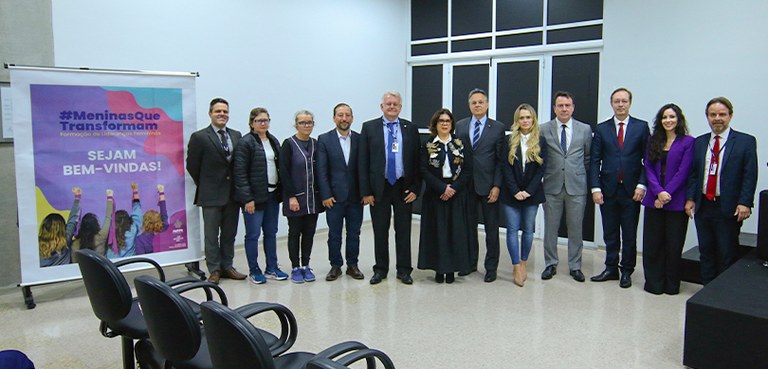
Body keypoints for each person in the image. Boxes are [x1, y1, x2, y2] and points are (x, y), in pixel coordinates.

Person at [686, 97, 757, 285]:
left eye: (722, 114)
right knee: (706, 252)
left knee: (727, 253)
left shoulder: (745, 141)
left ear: (730, 116)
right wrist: (690, 199)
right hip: (703, 206)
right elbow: (694, 174)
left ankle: (723, 293)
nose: (717, 118)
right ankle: (706, 292)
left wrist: (745, 202)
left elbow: (750, 175)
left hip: (729, 207)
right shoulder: (700, 142)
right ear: (707, 117)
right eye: (713, 114)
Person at [589, 87, 650, 288]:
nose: (620, 105)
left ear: (630, 103)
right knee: (610, 233)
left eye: (624, 101)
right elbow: (594, 160)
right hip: (608, 190)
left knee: (629, 234)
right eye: (617, 101)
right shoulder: (601, 128)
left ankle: (627, 271)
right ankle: (611, 268)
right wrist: (595, 188)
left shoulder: (641, 127)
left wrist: (642, 184)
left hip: (632, 191)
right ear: (611, 104)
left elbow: (648, 160)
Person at [359, 91, 421, 285]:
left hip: (403, 187)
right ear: (382, 107)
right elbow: (363, 161)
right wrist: (366, 192)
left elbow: (417, 161)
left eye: (395, 104)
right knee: (380, 230)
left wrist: (416, 189)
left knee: (403, 231)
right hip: (379, 188)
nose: (392, 106)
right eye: (388, 104)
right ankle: (380, 269)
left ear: (400, 107)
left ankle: (404, 270)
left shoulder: (410, 128)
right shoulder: (369, 127)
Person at [186, 97, 246, 284]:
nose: (222, 114)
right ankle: (214, 270)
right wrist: (206, 183)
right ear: (210, 114)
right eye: (218, 111)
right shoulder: (200, 137)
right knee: (211, 236)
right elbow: (192, 166)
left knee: (229, 234)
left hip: (232, 195)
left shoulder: (236, 135)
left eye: (225, 111)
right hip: (210, 194)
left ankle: (227, 266)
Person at [641, 103, 694, 295]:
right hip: (653, 200)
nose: (668, 120)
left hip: (676, 201)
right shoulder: (653, 140)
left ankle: (671, 285)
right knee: (653, 244)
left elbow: (684, 171)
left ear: (678, 120)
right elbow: (648, 167)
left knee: (673, 245)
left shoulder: (688, 142)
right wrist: (658, 192)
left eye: (672, 117)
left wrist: (665, 194)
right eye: (664, 117)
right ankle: (654, 284)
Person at [540, 91, 592, 282]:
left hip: (576, 187)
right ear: (554, 108)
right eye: (560, 106)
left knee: (576, 229)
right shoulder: (543, 129)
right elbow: (540, 156)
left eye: (567, 105)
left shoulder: (584, 129)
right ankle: (550, 263)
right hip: (551, 186)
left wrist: (576, 174)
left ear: (573, 107)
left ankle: (575, 266)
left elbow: (587, 157)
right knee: (550, 228)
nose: (564, 109)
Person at [455, 88, 506, 282]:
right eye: (474, 102)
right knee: (468, 228)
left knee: (491, 230)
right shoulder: (460, 126)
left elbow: (501, 161)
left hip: (489, 187)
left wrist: (497, 186)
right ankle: (469, 263)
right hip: (466, 186)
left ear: (487, 104)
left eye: (481, 102)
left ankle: (491, 268)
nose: (477, 105)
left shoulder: (498, 128)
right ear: (469, 105)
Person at [233, 107, 288, 284]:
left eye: (266, 120)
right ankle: (254, 270)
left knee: (271, 232)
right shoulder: (245, 143)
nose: (263, 123)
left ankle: (272, 267)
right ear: (251, 123)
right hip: (254, 199)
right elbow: (240, 173)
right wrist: (247, 199)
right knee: (253, 234)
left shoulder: (273, 140)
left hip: (272, 196)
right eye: (259, 121)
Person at [417, 108, 473, 283]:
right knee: (438, 233)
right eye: (441, 121)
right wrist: (442, 188)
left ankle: (451, 271)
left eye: (448, 121)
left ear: (452, 124)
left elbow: (468, 170)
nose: (444, 124)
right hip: (435, 194)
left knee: (455, 233)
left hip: (456, 193)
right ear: (435, 124)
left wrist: (453, 188)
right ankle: (439, 270)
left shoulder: (460, 143)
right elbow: (423, 170)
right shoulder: (427, 144)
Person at [498, 104, 546, 287]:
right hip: (511, 193)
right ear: (517, 120)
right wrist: (515, 191)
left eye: (528, 117)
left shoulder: (541, 140)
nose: (525, 121)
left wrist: (528, 191)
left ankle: (524, 262)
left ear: (533, 119)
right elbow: (505, 167)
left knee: (528, 230)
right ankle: (516, 266)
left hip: (532, 194)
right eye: (522, 117)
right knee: (512, 230)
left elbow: (541, 170)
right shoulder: (508, 140)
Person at [316, 103, 365, 281]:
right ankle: (335, 265)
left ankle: (353, 265)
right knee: (334, 234)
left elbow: (364, 168)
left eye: (347, 115)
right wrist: (325, 194)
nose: (344, 118)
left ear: (352, 118)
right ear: (334, 118)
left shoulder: (360, 139)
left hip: (356, 197)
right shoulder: (324, 139)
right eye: (340, 115)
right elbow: (321, 170)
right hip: (333, 197)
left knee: (354, 233)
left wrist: (365, 192)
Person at [280, 110, 324, 284]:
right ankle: (295, 267)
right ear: (296, 125)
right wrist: (291, 197)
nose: (306, 126)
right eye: (302, 123)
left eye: (309, 122)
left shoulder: (316, 144)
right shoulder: (288, 144)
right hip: (295, 198)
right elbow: (284, 172)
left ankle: (306, 265)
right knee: (294, 232)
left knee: (309, 232)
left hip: (313, 199)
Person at [38, 187, 80, 267]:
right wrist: (77, 197)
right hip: (65, 273)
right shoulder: (66, 240)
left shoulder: (36, 245)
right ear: (62, 229)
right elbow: (73, 218)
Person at [71, 189, 114, 263]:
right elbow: (108, 217)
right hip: (100, 270)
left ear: (82, 226)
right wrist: (109, 197)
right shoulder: (101, 237)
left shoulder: (75, 244)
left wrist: (77, 198)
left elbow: (74, 263)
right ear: (96, 225)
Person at [108, 183, 141, 259]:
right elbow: (137, 209)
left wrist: (109, 199)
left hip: (112, 264)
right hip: (130, 263)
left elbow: (108, 217)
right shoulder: (133, 229)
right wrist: (135, 190)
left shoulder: (110, 232)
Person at [134, 185, 168, 255]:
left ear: (144, 221)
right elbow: (164, 213)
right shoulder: (164, 229)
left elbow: (141, 258)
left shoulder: (140, 239)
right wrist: (161, 192)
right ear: (159, 221)